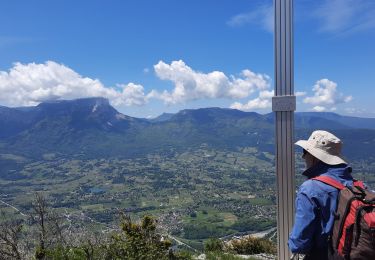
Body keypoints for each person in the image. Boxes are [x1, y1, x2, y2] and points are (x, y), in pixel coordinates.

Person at [288, 130, 354, 260]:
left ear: (314, 157)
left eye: (305, 152)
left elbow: (299, 243)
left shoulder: (310, 188)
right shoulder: (358, 187)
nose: (303, 157)